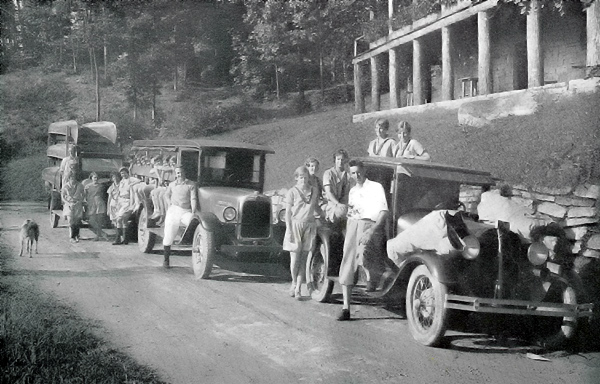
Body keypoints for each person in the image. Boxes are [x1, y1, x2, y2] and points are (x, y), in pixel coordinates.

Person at [337, 160, 389, 321]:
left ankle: (372, 279)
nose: (356, 176)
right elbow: (352, 214)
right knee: (347, 262)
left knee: (364, 254)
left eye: (358, 172)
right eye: (353, 173)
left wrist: (371, 231)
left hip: (370, 225)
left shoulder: (375, 187)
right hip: (353, 225)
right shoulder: (352, 191)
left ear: (364, 171)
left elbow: (383, 212)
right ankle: (346, 308)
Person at [283, 166, 321, 299]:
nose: (303, 180)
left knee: (304, 259)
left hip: (309, 225)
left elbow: (316, 207)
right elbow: (288, 212)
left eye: (305, 177)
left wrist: (325, 215)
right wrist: (288, 229)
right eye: (301, 177)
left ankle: (298, 288)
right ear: (296, 178)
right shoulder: (292, 192)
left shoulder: (314, 191)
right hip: (295, 225)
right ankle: (294, 282)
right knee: (294, 259)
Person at [162, 166, 197, 268]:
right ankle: (166, 260)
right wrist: (169, 204)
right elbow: (166, 195)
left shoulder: (191, 184)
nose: (179, 175)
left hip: (186, 211)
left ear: (184, 173)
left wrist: (194, 211)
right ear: (175, 174)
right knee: (169, 230)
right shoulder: (172, 184)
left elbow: (193, 198)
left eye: (181, 172)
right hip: (174, 210)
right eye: (177, 173)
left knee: (192, 222)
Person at [112, 167, 141, 245]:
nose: (123, 175)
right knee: (124, 220)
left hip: (127, 201)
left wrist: (132, 184)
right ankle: (125, 239)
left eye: (124, 173)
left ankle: (118, 239)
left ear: (127, 173)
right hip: (121, 201)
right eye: (121, 173)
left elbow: (139, 181)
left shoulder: (131, 179)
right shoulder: (122, 181)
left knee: (119, 219)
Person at [61, 172, 84, 243]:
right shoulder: (65, 186)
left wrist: (79, 201)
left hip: (77, 204)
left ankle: (77, 235)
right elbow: (63, 197)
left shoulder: (80, 185)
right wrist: (68, 203)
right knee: (71, 221)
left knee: (77, 221)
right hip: (69, 204)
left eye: (74, 178)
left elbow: (83, 194)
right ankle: (71, 237)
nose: (72, 180)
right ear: (69, 179)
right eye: (71, 178)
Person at [84, 172, 108, 241]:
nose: (96, 179)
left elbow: (104, 195)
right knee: (91, 220)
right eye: (94, 177)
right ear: (91, 178)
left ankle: (98, 236)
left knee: (99, 220)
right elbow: (85, 195)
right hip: (91, 203)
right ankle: (102, 233)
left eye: (97, 177)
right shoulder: (88, 186)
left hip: (99, 203)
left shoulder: (101, 186)